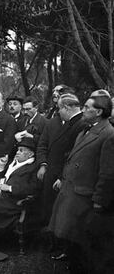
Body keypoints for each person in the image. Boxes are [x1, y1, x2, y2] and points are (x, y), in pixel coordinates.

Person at [48, 93, 114, 273]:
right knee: (73, 242)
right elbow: (72, 158)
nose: (83, 110)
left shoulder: (108, 134)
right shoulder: (86, 129)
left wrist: (99, 200)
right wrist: (63, 178)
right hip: (72, 193)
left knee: (84, 246)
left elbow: (107, 173)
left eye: (87, 107)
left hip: (86, 198)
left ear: (99, 111)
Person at [36, 94, 86, 226]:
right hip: (53, 172)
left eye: (59, 108)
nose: (58, 112)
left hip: (61, 176)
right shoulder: (72, 123)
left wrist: (61, 177)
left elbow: (72, 155)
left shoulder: (80, 124)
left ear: (66, 108)